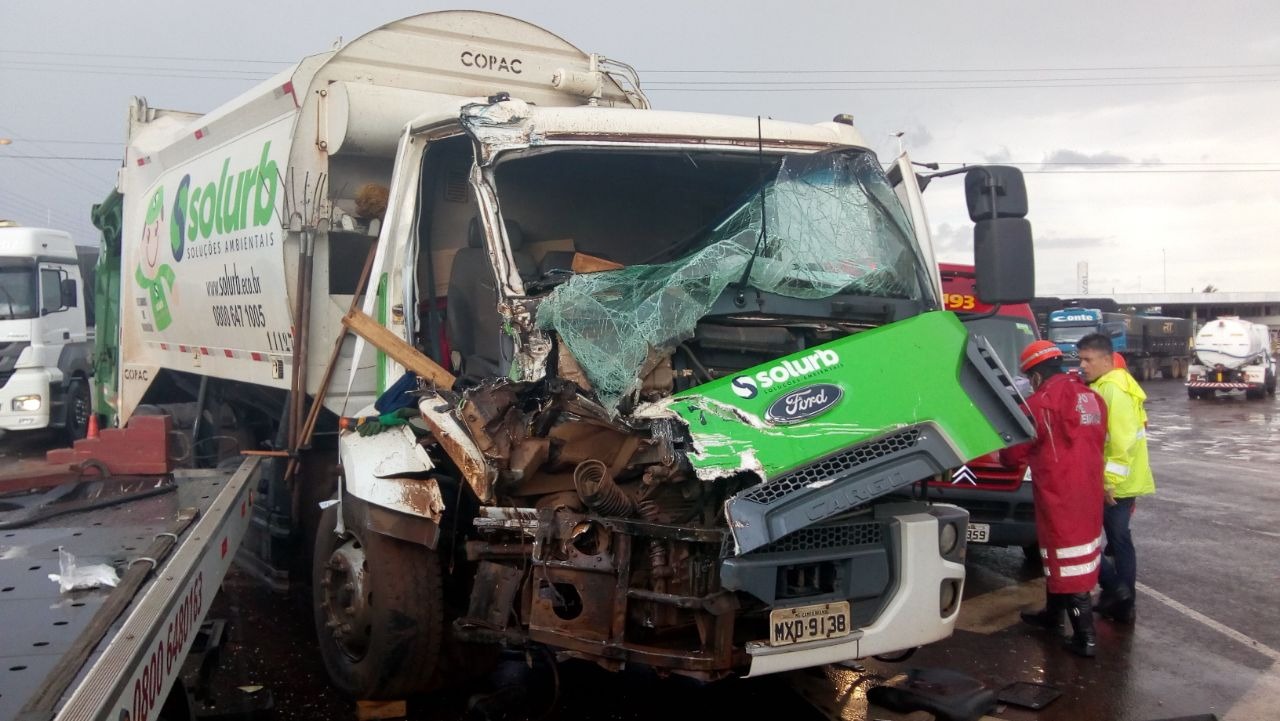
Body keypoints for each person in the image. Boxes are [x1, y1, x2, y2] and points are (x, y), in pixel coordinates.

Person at [1001, 340, 1107, 657]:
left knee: (1065, 558)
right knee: (1072, 555)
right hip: (1088, 490)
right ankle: (1052, 614)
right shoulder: (1092, 397)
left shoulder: (1038, 403)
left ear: (1034, 375)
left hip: (1058, 492)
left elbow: (1013, 454)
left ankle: (1085, 637)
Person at [1077, 333, 1155, 624]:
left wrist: (1108, 481)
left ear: (1107, 360)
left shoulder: (1113, 390)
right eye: (1080, 359)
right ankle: (1122, 600)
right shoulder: (1112, 385)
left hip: (1113, 484)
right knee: (1120, 540)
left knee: (1089, 539)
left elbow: (1120, 442)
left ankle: (1119, 593)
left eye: (1088, 359)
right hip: (1121, 481)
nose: (1082, 365)